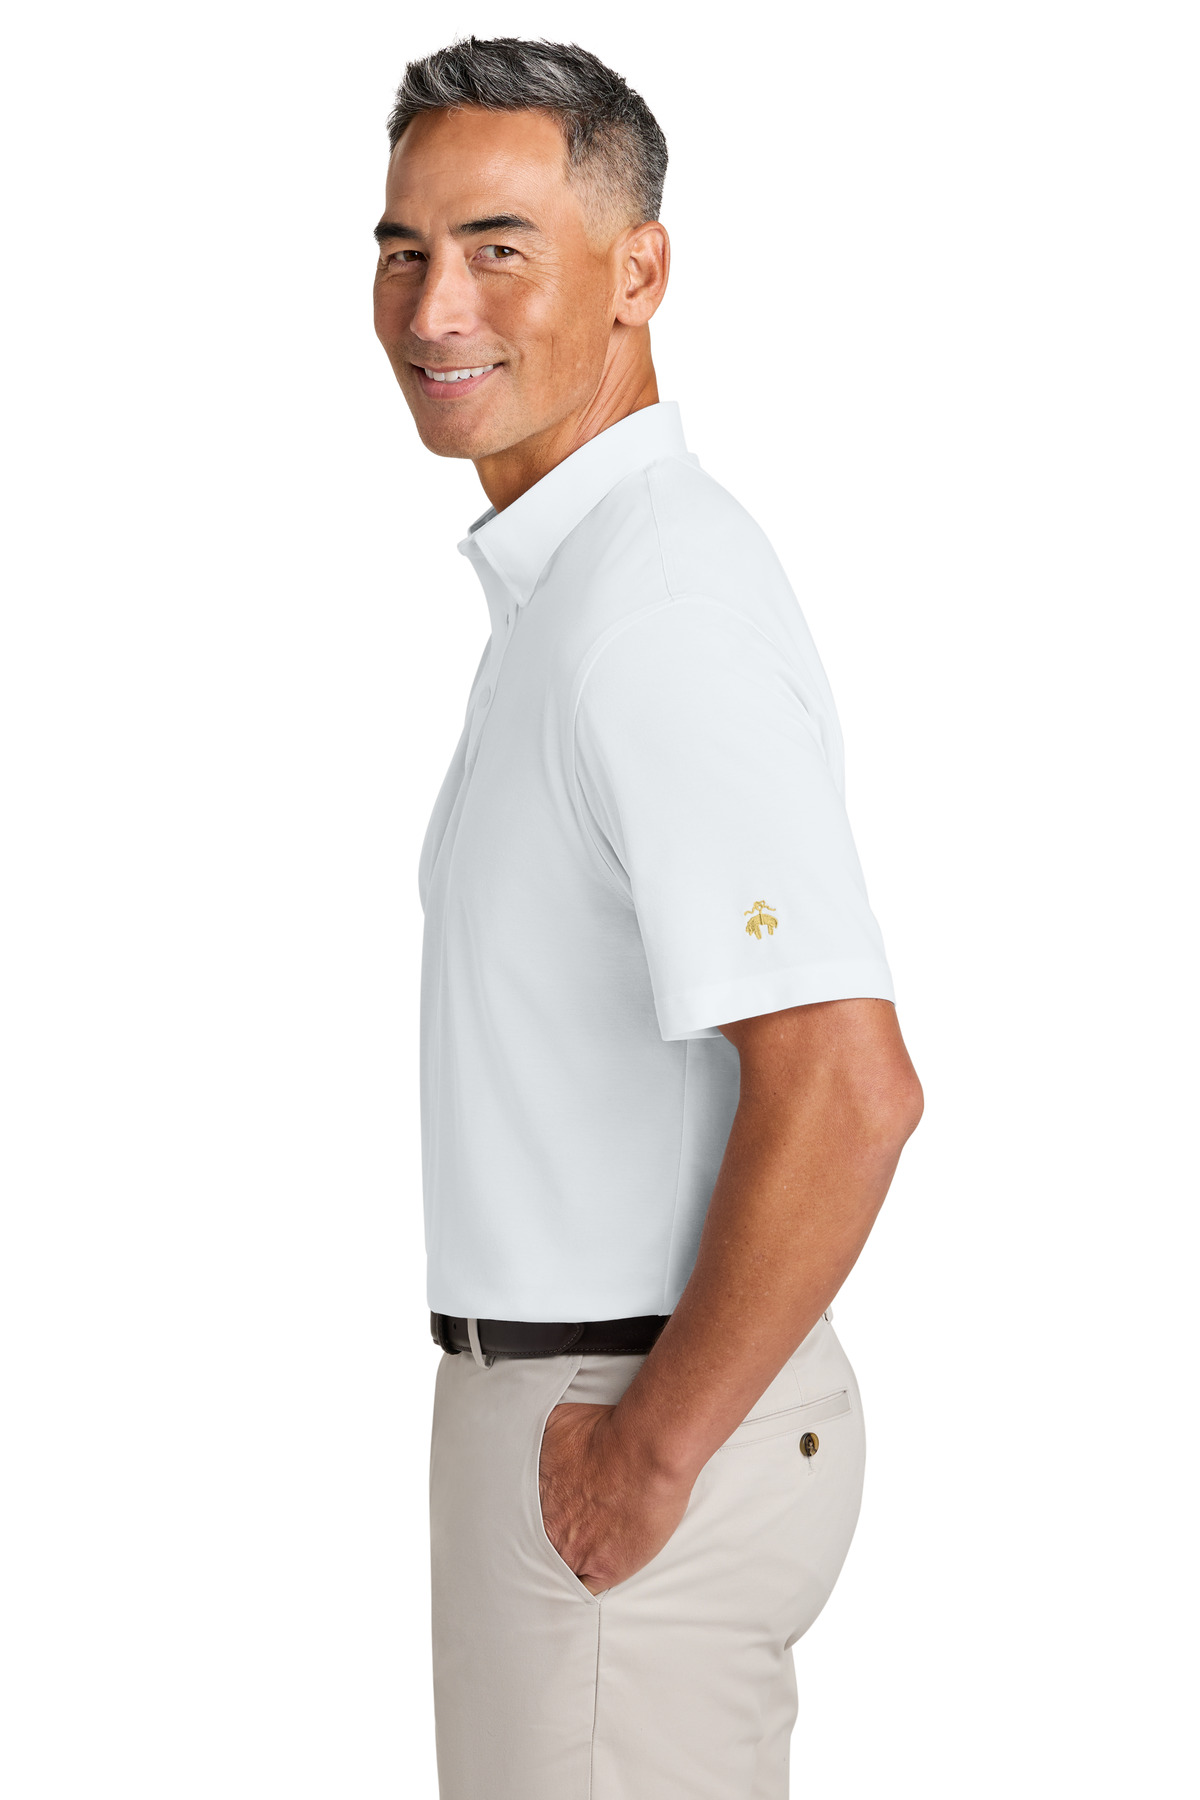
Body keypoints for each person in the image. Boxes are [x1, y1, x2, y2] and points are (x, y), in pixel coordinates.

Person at [373, 35, 923, 1800]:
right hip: (575, 1413)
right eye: (403, 250)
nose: (433, 306)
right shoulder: (578, 592)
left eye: (499, 248)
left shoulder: (654, 613)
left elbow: (849, 1088)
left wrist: (649, 1454)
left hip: (626, 1423)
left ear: (639, 272)